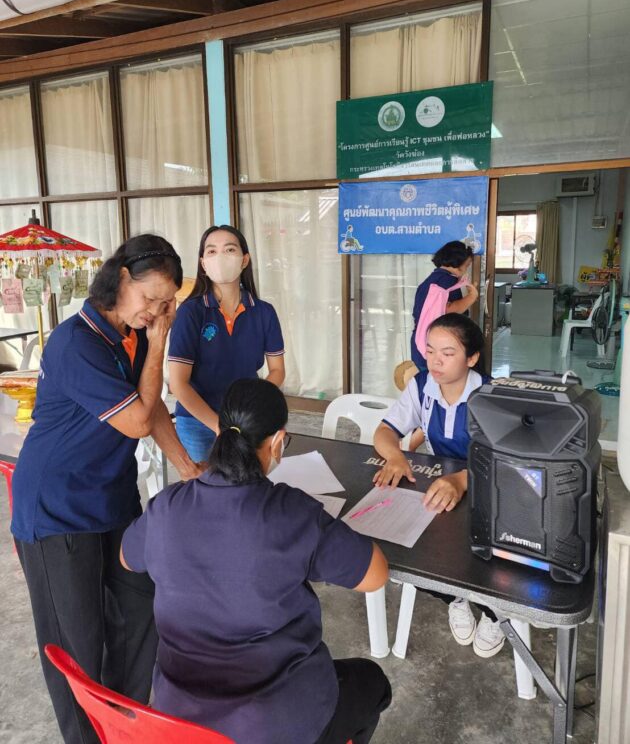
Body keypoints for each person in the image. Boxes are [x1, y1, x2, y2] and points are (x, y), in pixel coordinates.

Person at [121, 378, 392, 744]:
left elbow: (127, 558)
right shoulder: (291, 513)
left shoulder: (167, 507)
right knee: (373, 683)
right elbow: (376, 575)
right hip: (270, 722)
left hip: (179, 720)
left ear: (220, 433)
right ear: (278, 442)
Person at [11, 235, 205, 744]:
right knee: (75, 646)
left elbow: (151, 406)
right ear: (120, 280)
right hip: (57, 507)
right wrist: (160, 344)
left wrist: (189, 467)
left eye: (167, 304)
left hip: (112, 499)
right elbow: (138, 420)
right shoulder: (76, 342)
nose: (157, 313)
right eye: (150, 299)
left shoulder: (129, 335)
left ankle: (122, 723)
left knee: (141, 609)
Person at [374, 313, 505, 659]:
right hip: (437, 481)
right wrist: (396, 457)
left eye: (447, 353)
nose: (435, 361)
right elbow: (385, 431)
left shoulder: (491, 396)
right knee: (412, 551)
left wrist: (461, 480)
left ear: (472, 358)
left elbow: (505, 459)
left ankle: (494, 613)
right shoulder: (422, 387)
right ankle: (455, 597)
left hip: (488, 485)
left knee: (491, 554)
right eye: (430, 350)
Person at [169, 224, 285, 462]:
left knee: (246, 482)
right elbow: (178, 384)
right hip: (198, 423)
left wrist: (251, 407)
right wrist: (219, 427)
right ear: (203, 264)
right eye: (211, 251)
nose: (220, 256)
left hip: (246, 422)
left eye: (230, 249)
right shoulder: (190, 313)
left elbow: (277, 370)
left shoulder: (264, 312)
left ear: (244, 260)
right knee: (203, 484)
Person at [410, 240, 478, 371]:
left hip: (421, 343)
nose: (466, 269)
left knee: (427, 380)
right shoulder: (448, 280)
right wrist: (472, 296)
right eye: (467, 265)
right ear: (458, 262)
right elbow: (449, 310)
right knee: (440, 382)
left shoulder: (432, 279)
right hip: (437, 348)